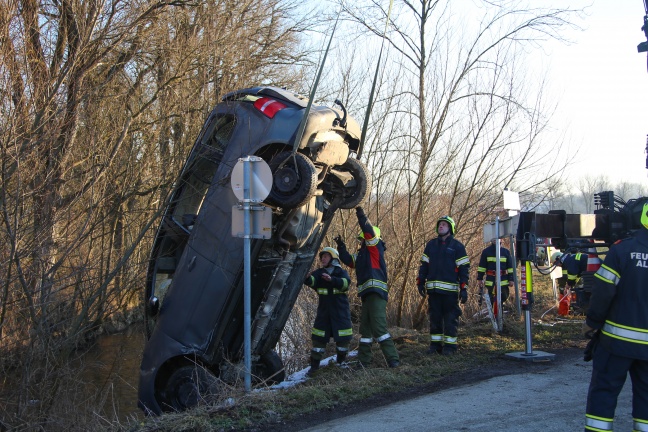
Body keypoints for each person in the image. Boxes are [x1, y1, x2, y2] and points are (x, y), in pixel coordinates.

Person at [583, 202, 648, 432]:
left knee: (604, 392)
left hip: (616, 344)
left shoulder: (622, 250)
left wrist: (592, 323)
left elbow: (602, 293)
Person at [335, 206, 400, 368]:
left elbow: (368, 230)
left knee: (379, 328)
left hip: (376, 294)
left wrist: (361, 215)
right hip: (367, 295)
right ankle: (364, 361)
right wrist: (341, 246)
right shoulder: (363, 255)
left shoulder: (375, 249)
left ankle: (393, 360)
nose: (361, 241)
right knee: (365, 331)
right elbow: (349, 261)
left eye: (362, 238)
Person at [417, 216, 470, 355]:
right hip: (433, 292)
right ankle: (435, 346)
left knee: (450, 319)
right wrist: (420, 281)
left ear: (450, 228)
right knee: (434, 319)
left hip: (450, 293)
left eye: (444, 225)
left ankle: (450, 347)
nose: (441, 226)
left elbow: (464, 269)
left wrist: (464, 288)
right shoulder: (431, 245)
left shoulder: (457, 247)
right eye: (440, 224)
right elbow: (424, 266)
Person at [303, 247, 353, 376]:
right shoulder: (319, 273)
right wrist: (307, 278)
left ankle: (341, 362)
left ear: (333, 258)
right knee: (318, 340)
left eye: (326, 256)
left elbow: (346, 284)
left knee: (343, 339)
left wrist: (332, 280)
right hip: (324, 313)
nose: (323, 259)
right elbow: (312, 281)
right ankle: (314, 367)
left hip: (340, 313)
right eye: (322, 257)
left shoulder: (341, 272)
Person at [476, 242, 515, 316]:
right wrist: (480, 278)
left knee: (504, 296)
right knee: (492, 298)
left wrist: (511, 279)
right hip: (491, 281)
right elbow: (482, 267)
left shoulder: (506, 252)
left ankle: (499, 313)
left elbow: (510, 268)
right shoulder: (486, 252)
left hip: (503, 280)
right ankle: (495, 317)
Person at [552, 251, 588, 315]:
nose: (557, 266)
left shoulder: (569, 262)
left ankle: (585, 308)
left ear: (558, 259)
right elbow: (578, 275)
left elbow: (572, 274)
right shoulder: (570, 258)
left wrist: (568, 285)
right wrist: (571, 286)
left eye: (556, 264)